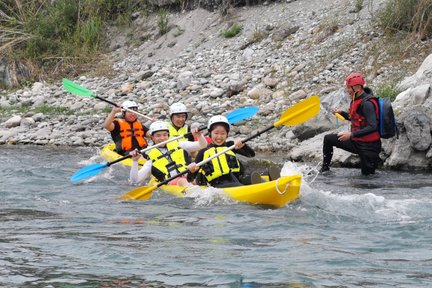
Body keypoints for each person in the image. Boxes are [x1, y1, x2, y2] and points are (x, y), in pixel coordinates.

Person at [187, 115, 280, 188]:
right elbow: (190, 178)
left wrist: (243, 145)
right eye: (216, 133)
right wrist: (192, 170)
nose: (219, 136)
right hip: (217, 185)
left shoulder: (230, 145)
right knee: (239, 185)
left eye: (223, 133)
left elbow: (251, 154)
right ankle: (263, 187)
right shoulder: (203, 152)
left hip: (237, 179)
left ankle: (273, 184)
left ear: (227, 134)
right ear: (210, 133)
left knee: (252, 177)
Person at [320, 72, 382, 175]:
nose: (348, 91)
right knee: (328, 139)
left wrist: (351, 135)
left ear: (357, 87)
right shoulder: (355, 99)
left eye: (349, 88)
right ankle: (324, 170)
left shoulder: (367, 104)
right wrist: (342, 113)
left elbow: (373, 126)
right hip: (357, 142)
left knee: (368, 180)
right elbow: (355, 119)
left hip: (369, 147)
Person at [129, 121, 207, 186]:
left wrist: (200, 136)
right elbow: (135, 181)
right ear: (152, 137)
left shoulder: (180, 144)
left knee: (196, 175)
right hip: (171, 183)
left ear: (168, 135)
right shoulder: (151, 159)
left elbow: (202, 145)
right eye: (158, 136)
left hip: (188, 176)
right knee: (182, 181)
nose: (162, 138)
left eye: (165, 135)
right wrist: (135, 161)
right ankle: (196, 193)